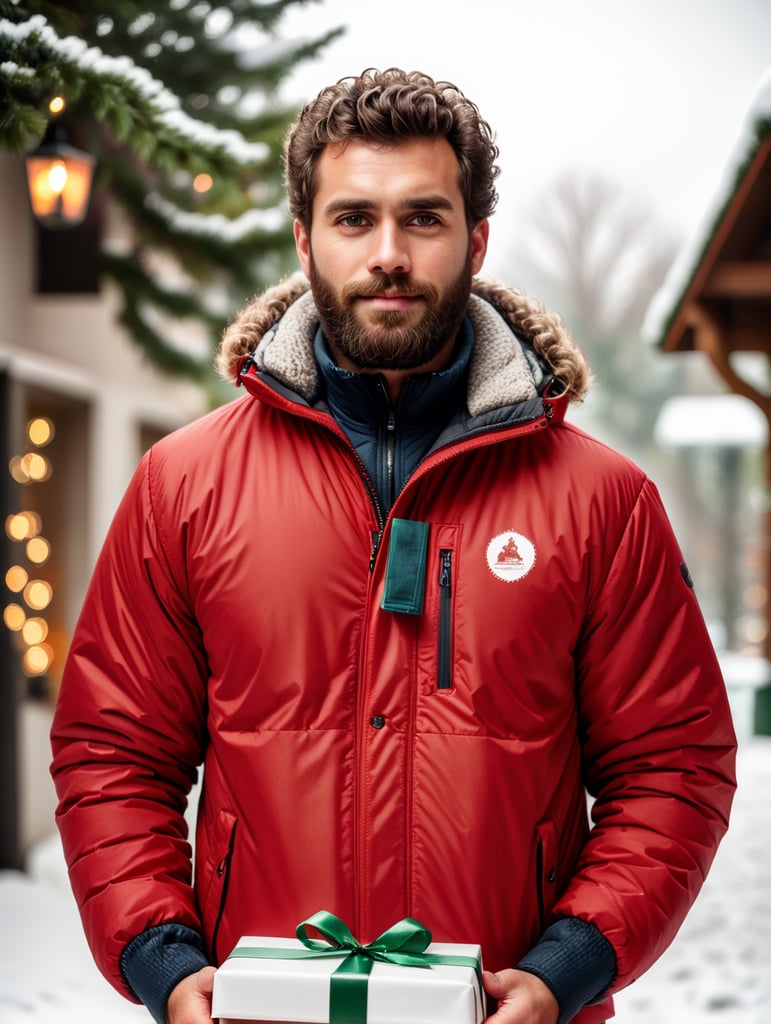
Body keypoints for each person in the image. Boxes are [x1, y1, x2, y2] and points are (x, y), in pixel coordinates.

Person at [50, 68, 737, 1024]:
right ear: (304, 239)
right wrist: (160, 956)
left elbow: (674, 765)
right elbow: (111, 747)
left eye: (422, 218)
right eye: (352, 219)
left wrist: (568, 965)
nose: (388, 253)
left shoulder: (601, 501)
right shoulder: (184, 484)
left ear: (474, 238)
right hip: (261, 1008)